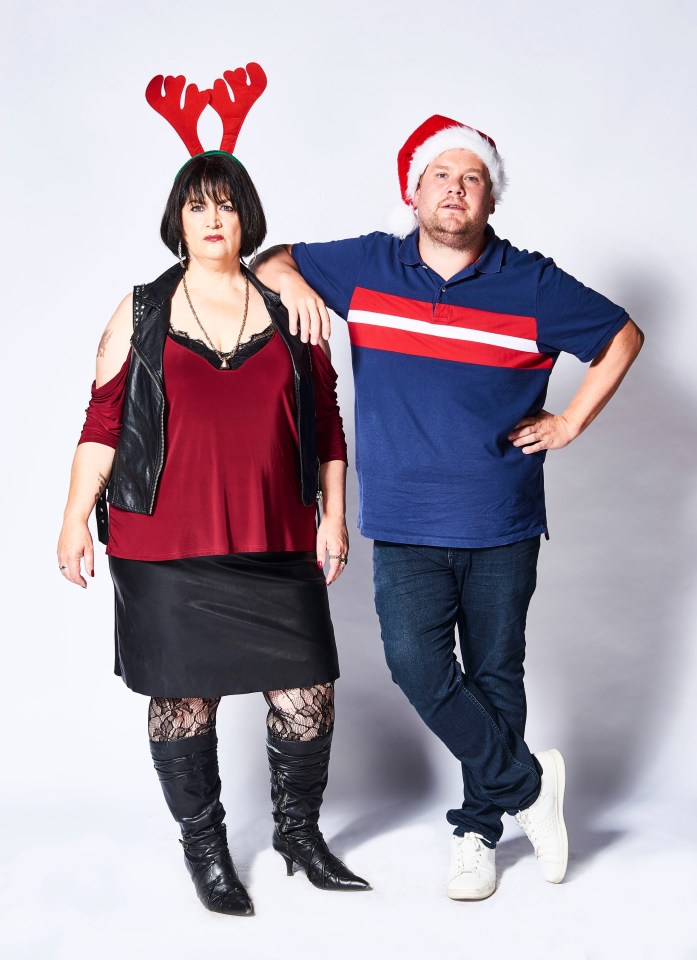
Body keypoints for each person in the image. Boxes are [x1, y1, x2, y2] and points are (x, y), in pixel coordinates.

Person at [253, 114, 644, 900]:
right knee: (417, 665)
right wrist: (291, 280)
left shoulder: (530, 282)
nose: (455, 190)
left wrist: (569, 421)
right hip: (402, 519)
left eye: (471, 178)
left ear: (489, 199)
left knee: (496, 670)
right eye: (440, 176)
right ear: (413, 190)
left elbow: (620, 336)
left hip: (500, 516)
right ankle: (529, 786)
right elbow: (272, 260)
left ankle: (475, 830)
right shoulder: (368, 265)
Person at [57, 135, 371, 914]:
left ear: (246, 219)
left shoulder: (292, 309)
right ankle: (206, 851)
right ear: (178, 219)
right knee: (182, 700)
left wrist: (333, 517)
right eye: (197, 205)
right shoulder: (140, 309)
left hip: (274, 537)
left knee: (307, 695)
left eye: (226, 205)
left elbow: (327, 426)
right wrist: (71, 519)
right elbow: (102, 423)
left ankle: (298, 837)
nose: (212, 218)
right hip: (162, 544)